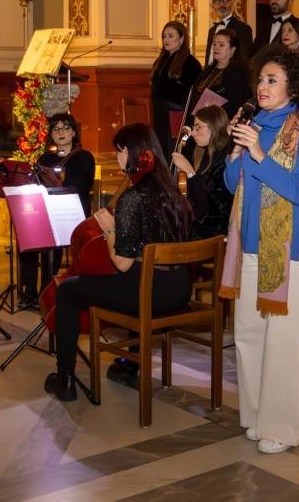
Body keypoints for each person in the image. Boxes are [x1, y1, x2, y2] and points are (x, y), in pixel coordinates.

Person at [223, 47, 299, 454]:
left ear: (292, 86)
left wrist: (260, 154)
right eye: (260, 79)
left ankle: (282, 427)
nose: (262, 87)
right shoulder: (253, 123)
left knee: (284, 342)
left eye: (271, 80)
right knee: (248, 335)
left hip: (286, 250)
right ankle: (255, 415)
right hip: (248, 245)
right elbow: (233, 185)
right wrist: (235, 150)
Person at [43, 123, 193, 402]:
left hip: (151, 294)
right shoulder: (173, 192)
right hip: (179, 288)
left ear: (132, 153)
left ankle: (64, 379)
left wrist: (110, 228)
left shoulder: (133, 198)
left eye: (120, 151)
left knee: (68, 289)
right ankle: (130, 365)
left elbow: (122, 263)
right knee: (133, 278)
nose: (117, 157)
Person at [19, 114, 95, 305]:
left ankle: (47, 290)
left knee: (50, 236)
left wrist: (55, 181)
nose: (61, 132)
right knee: (27, 234)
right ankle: (29, 292)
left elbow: (80, 186)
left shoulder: (84, 157)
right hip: (48, 210)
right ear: (51, 134)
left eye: (66, 128)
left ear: (74, 132)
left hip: (72, 213)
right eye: (56, 129)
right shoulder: (45, 158)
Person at [171, 105, 233, 239]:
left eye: (198, 127)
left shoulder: (225, 158)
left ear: (214, 126)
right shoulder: (204, 154)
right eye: (193, 127)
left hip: (215, 233)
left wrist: (189, 171)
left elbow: (211, 205)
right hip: (202, 227)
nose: (193, 133)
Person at [151, 20, 202, 160]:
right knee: (161, 150)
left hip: (177, 114)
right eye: (164, 36)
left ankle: (175, 180)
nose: (166, 40)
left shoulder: (190, 62)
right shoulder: (162, 59)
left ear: (181, 39)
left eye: (170, 36)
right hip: (161, 113)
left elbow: (190, 93)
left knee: (173, 150)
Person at [188, 28, 251, 121]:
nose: (216, 48)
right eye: (214, 44)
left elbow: (237, 104)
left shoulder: (237, 73)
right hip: (198, 120)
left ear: (232, 50)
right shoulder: (208, 71)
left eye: (221, 45)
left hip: (218, 123)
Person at [204, 0, 254, 64]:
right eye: (217, 1)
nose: (222, 4)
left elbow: (244, 59)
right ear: (212, 5)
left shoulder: (243, 28)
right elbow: (210, 58)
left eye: (225, 0)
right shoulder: (211, 31)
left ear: (231, 3)